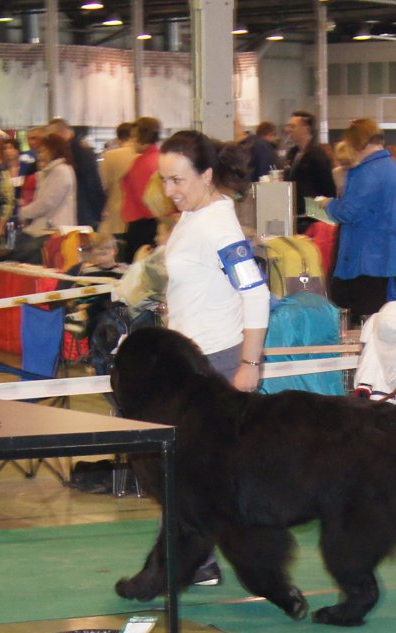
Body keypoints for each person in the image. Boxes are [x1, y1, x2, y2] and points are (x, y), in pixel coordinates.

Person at [159, 129, 271, 586]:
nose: (171, 191)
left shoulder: (221, 228)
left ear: (206, 175)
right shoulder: (193, 217)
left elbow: (257, 294)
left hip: (220, 364)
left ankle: (202, 562)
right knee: (191, 473)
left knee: (202, 475)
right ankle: (197, 562)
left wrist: (249, 365)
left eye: (178, 180)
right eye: (165, 181)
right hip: (190, 363)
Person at [323, 118, 396, 323]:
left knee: (363, 317)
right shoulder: (393, 167)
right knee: (382, 315)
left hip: (365, 258)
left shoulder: (368, 171)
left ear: (357, 142)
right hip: (386, 255)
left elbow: (348, 212)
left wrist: (330, 204)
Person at [12, 133, 77, 264]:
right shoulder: (51, 171)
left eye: (43, 151)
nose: (40, 155)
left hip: (52, 231)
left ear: (54, 150)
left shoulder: (60, 171)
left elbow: (47, 203)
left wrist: (23, 212)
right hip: (45, 229)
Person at [46, 117, 105, 229]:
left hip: (82, 212)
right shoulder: (79, 151)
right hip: (79, 211)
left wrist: (99, 209)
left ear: (61, 133)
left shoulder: (80, 153)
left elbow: (92, 184)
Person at [284, 110, 336, 232]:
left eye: (293, 126)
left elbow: (329, 188)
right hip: (295, 215)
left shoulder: (318, 156)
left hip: (313, 219)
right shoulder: (292, 154)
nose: (288, 130)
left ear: (305, 128)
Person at [121, 116, 163, 263]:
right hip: (156, 223)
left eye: (133, 137)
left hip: (143, 225)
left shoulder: (143, 163)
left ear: (142, 136)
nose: (131, 141)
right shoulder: (160, 158)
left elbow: (145, 200)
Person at [99, 121, 136, 248]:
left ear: (119, 137)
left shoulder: (111, 156)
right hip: (140, 218)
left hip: (116, 217)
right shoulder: (143, 155)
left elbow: (103, 185)